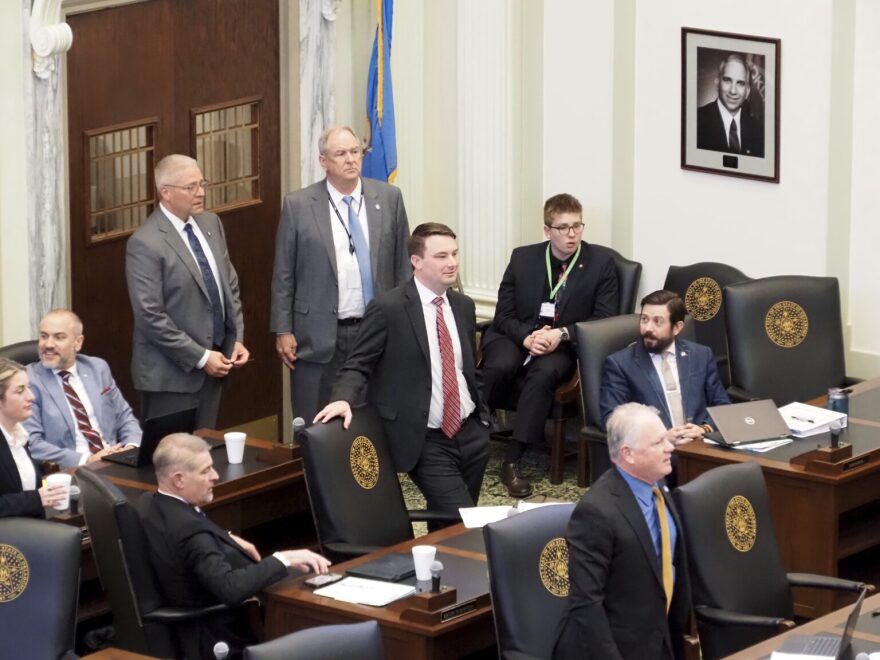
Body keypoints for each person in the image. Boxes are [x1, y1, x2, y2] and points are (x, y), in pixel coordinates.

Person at [314, 223, 489, 522]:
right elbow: (358, 363)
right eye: (441, 256)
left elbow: (464, 367)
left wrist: (483, 420)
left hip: (470, 432)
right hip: (424, 438)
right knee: (462, 519)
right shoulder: (388, 308)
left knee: (447, 525)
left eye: (455, 254)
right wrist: (343, 398)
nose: (452, 263)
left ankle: (439, 568)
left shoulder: (463, 306)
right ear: (416, 261)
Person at [139, 433, 330, 659]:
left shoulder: (150, 503)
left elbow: (188, 539)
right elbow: (230, 589)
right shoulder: (192, 533)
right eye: (205, 471)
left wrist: (224, 536)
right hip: (223, 637)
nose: (215, 476)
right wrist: (284, 559)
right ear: (178, 479)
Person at [480, 193, 618, 497]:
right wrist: (527, 337)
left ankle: (513, 459)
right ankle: (471, 437)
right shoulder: (523, 258)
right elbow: (503, 315)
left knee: (542, 375)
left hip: (563, 345)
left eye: (577, 226)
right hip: (517, 335)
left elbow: (604, 320)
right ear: (547, 230)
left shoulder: (600, 263)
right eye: (563, 228)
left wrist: (563, 334)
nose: (571, 235)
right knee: (500, 364)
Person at [270, 125, 411, 423]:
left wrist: (405, 322)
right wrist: (283, 329)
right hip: (319, 333)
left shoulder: (388, 198)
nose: (350, 159)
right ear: (323, 161)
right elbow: (284, 272)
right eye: (341, 153)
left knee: (371, 419)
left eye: (355, 151)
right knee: (316, 420)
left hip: (375, 329)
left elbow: (401, 267)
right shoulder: (298, 205)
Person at [553, 403, 691, 659]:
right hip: (620, 648)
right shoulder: (596, 512)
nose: (669, 448)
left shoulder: (657, 486)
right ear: (628, 454)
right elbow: (586, 602)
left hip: (662, 638)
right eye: (658, 443)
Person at [126, 154, 250, 430]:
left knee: (203, 452)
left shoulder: (210, 224)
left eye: (202, 183)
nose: (201, 192)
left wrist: (236, 338)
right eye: (191, 187)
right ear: (166, 193)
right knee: (174, 463)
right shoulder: (145, 243)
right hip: (171, 377)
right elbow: (150, 317)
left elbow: (229, 285)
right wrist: (201, 357)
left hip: (216, 365)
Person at [600, 290, 730, 445]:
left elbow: (723, 405)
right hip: (654, 451)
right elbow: (611, 421)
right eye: (644, 319)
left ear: (677, 328)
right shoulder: (620, 364)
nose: (648, 328)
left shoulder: (700, 355)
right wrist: (661, 438)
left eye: (657, 322)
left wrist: (704, 429)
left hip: (700, 447)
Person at [24, 309, 141, 468]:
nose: (48, 344)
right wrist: (86, 460)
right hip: (74, 469)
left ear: (77, 343)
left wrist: (131, 448)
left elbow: (124, 417)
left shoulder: (97, 368)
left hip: (115, 460)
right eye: (44, 336)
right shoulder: (28, 380)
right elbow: (32, 444)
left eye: (59, 337)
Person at [0, 358, 67, 518]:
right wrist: (37, 499)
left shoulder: (19, 434)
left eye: (28, 388)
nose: (31, 397)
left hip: (32, 528)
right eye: (20, 390)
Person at [696, 53, 764, 157]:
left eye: (740, 83)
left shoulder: (758, 130)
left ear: (747, 91)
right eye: (727, 80)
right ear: (717, 83)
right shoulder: (697, 120)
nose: (733, 91)